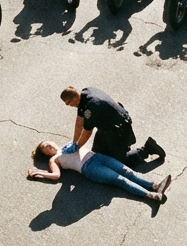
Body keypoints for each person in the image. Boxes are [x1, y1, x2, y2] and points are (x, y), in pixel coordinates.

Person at [28, 140, 171, 203]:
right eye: (44, 147)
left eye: (47, 142)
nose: (48, 144)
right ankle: (152, 196)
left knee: (128, 172)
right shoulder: (54, 159)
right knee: (120, 180)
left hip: (97, 157)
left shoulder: (67, 145)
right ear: (45, 153)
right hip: (89, 168)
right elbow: (56, 175)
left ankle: (155, 186)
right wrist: (39, 172)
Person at [60, 85, 164, 165]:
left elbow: (87, 132)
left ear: (75, 97)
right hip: (106, 127)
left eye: (69, 102)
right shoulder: (85, 92)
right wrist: (74, 142)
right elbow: (79, 120)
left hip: (119, 129)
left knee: (117, 163)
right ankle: (120, 148)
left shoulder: (91, 107)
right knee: (97, 154)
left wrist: (77, 147)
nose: (68, 105)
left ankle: (147, 148)